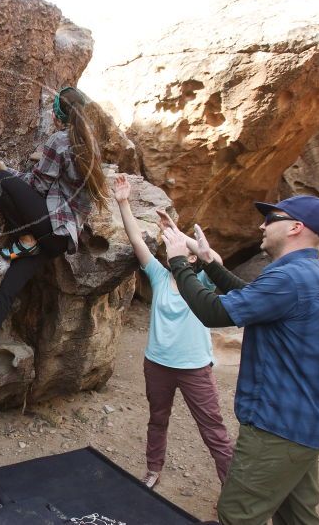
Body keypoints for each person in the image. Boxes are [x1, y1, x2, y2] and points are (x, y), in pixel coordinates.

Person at [161, 195, 319, 524]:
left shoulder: (289, 279)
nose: (262, 225)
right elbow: (251, 297)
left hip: (277, 427)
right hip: (306, 425)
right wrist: (209, 262)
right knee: (297, 516)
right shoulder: (313, 277)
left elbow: (214, 312)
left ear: (296, 227)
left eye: (271, 219)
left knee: (237, 515)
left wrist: (178, 262)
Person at [0, 86, 109, 361]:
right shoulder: (90, 145)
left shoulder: (59, 141)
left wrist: (6, 171)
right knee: (10, 285)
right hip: (60, 240)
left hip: (49, 226)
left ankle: (27, 238)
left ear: (57, 115)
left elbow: (38, 186)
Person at [113, 174, 233, 490]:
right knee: (158, 420)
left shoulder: (202, 282)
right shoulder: (159, 275)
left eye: (179, 249)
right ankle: (153, 469)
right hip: (158, 364)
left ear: (191, 257)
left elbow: (213, 260)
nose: (169, 248)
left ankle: (234, 488)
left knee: (213, 430)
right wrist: (123, 202)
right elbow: (137, 240)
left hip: (194, 368)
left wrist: (178, 234)